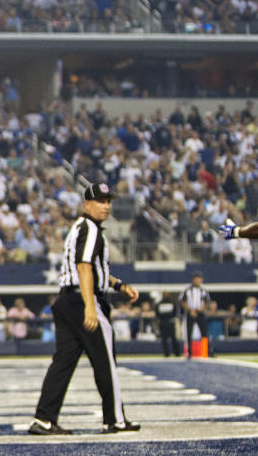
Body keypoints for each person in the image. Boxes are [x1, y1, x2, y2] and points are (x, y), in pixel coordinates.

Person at [28, 183, 141, 436]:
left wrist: (119, 285)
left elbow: (95, 268)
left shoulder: (80, 228)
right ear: (87, 204)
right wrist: (91, 307)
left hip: (66, 300)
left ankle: (44, 418)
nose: (106, 206)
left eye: (109, 201)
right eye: (101, 201)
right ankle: (114, 419)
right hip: (82, 300)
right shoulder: (90, 229)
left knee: (63, 362)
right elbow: (84, 267)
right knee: (106, 362)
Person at [179, 271, 211, 359]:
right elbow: (182, 301)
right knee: (189, 333)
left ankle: (206, 352)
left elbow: (207, 302)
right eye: (196, 279)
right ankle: (189, 352)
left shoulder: (203, 290)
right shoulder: (187, 290)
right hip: (190, 313)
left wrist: (201, 308)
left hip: (200, 313)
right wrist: (190, 310)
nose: (197, 280)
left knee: (204, 333)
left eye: (199, 279)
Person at [155, 291, 181, 357]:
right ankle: (166, 353)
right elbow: (157, 314)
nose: (165, 295)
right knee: (164, 339)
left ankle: (177, 353)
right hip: (163, 323)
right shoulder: (159, 304)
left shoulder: (172, 302)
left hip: (170, 322)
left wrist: (174, 320)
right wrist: (158, 321)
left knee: (174, 339)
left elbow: (175, 313)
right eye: (164, 294)